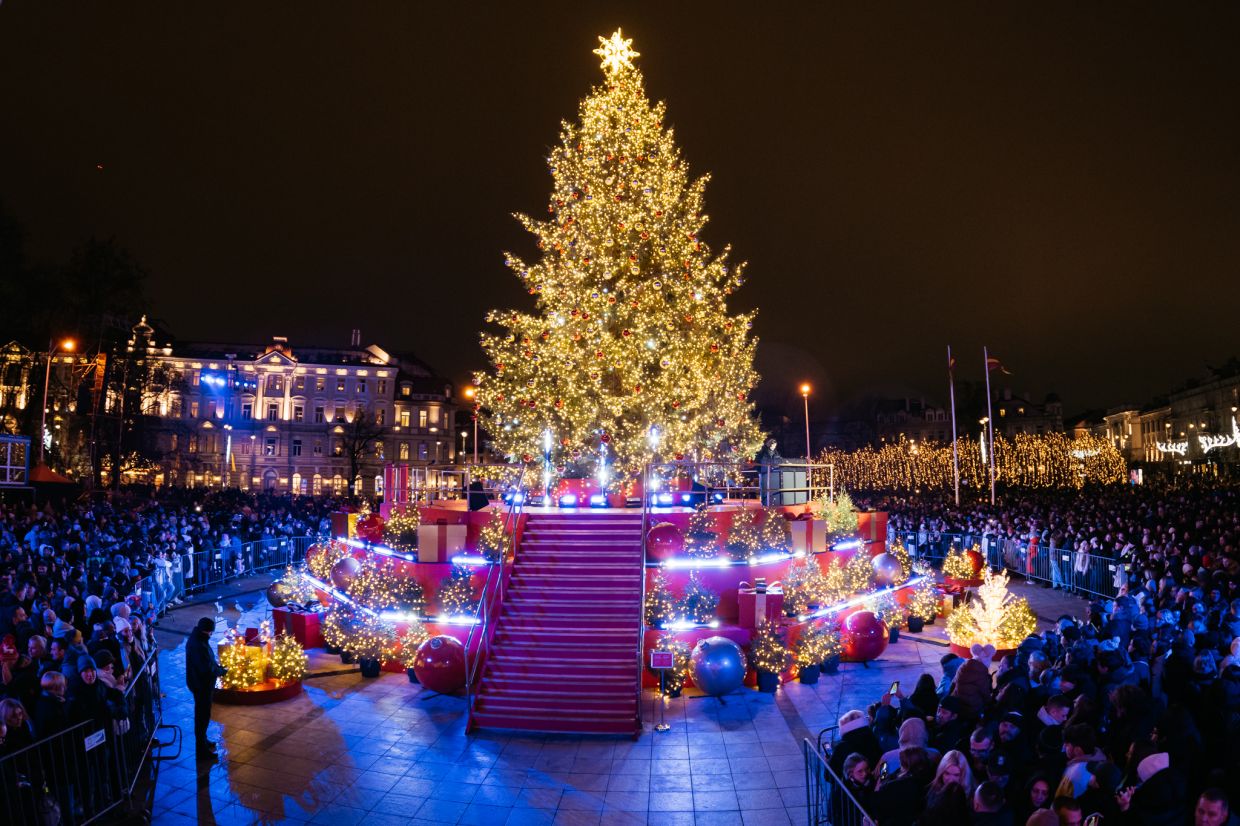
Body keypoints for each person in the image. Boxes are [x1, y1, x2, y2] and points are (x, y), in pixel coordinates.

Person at [185, 616, 226, 757]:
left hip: (199, 683)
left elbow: (208, 662)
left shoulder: (198, 639)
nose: (211, 635)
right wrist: (221, 671)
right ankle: (202, 749)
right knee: (202, 716)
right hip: (201, 685)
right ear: (206, 631)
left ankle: (203, 740)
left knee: (202, 715)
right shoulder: (199, 645)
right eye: (210, 632)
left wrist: (216, 667)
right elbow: (206, 668)